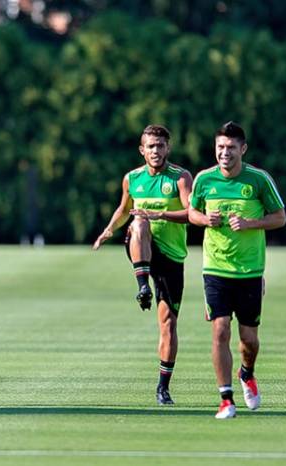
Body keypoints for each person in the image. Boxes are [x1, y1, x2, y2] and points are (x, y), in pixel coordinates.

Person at [188, 121, 285, 419]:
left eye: (231, 148)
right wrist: (206, 219)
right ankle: (225, 399)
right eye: (220, 147)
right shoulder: (204, 180)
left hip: (250, 270)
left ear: (242, 149)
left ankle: (248, 373)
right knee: (220, 330)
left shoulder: (258, 180)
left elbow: (280, 217)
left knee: (249, 340)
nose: (224, 153)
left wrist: (250, 224)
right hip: (215, 268)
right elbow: (192, 212)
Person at [93, 125, 193, 405]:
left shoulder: (181, 178)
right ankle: (142, 286)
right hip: (142, 249)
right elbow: (125, 209)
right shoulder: (132, 178)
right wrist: (108, 230)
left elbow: (192, 214)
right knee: (139, 222)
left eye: (160, 146)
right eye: (151, 146)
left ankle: (163, 387)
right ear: (142, 150)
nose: (156, 151)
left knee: (168, 324)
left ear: (168, 148)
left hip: (172, 256)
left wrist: (159, 212)